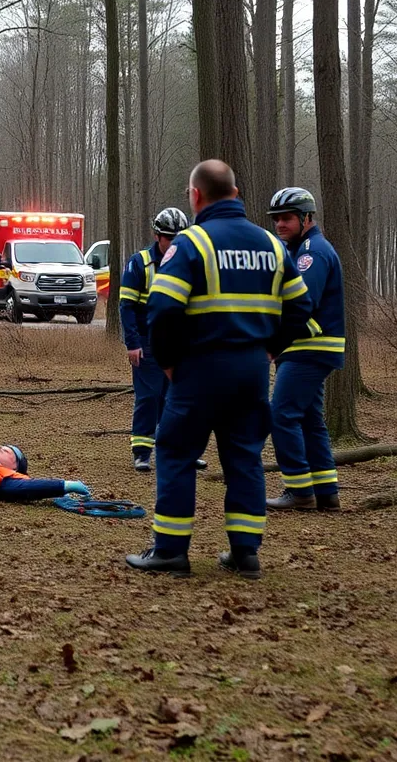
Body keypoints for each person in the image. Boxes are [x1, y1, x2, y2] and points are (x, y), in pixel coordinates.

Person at [125, 160, 313, 580]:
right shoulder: (272, 244)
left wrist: (170, 363)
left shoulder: (191, 244)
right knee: (244, 457)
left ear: (195, 196)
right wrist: (269, 349)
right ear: (236, 190)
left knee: (174, 452)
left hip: (199, 370)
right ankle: (245, 553)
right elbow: (301, 307)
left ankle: (171, 551)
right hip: (251, 372)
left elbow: (162, 309)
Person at [265, 188, 346, 512]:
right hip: (309, 348)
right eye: (276, 219)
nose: (280, 225)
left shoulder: (311, 253)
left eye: (286, 218)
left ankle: (298, 489)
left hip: (308, 348)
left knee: (281, 414)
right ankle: (327, 492)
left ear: (307, 218)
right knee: (311, 420)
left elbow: (302, 305)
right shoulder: (301, 249)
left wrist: (274, 344)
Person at [120, 207, 207, 474]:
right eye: (170, 238)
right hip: (148, 342)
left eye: (179, 238)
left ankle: (182, 452)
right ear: (158, 236)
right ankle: (142, 453)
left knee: (180, 400)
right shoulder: (140, 263)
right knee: (149, 397)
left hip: (181, 343)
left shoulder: (190, 263)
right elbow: (127, 306)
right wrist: (133, 343)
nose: (174, 244)